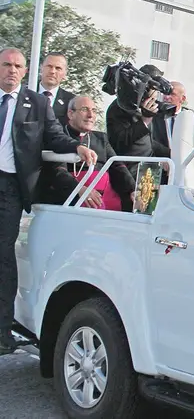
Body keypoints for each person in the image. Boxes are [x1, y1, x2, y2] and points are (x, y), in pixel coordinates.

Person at [0, 48, 96, 355]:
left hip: (9, 186)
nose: (11, 70)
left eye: (17, 66)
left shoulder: (36, 103)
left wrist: (77, 148)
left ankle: (3, 332)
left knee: (3, 255)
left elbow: (54, 136)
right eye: (6, 64)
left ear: (25, 71)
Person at [39, 96, 136, 212]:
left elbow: (117, 166)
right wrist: (80, 189)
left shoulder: (101, 138)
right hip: (73, 195)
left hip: (105, 195)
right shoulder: (60, 138)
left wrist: (132, 189)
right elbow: (59, 171)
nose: (90, 115)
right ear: (71, 114)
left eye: (94, 111)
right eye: (84, 110)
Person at [37, 52, 75, 125]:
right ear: (41, 68)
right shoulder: (25, 92)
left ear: (64, 73)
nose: (52, 71)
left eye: (58, 68)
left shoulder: (71, 101)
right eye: (49, 66)